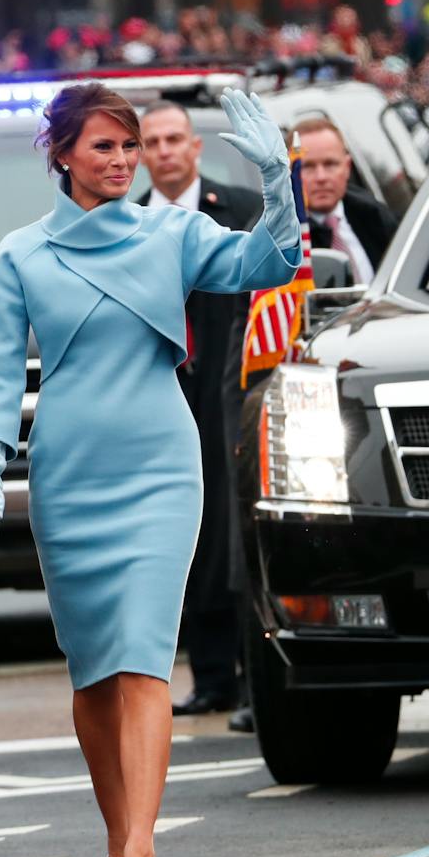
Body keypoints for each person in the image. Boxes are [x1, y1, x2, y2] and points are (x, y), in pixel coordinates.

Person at [0, 86, 303, 857]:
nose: (122, 161)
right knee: (94, 673)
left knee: (148, 658)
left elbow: (268, 264)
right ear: (63, 156)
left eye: (131, 146)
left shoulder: (173, 232)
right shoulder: (24, 254)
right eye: (105, 147)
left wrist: (275, 174)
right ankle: (116, 841)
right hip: (71, 474)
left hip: (160, 464)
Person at [138, 101, 260, 718]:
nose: (163, 151)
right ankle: (211, 676)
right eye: (151, 141)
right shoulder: (121, 222)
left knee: (231, 532)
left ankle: (250, 673)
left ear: (195, 147)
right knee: (178, 535)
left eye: (173, 139)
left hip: (227, 395)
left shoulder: (238, 211)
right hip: (160, 399)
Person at [292, 117, 394, 286]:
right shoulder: (276, 239)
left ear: (347, 167)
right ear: (290, 171)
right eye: (307, 166)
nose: (321, 177)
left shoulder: (375, 217)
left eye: (330, 164)